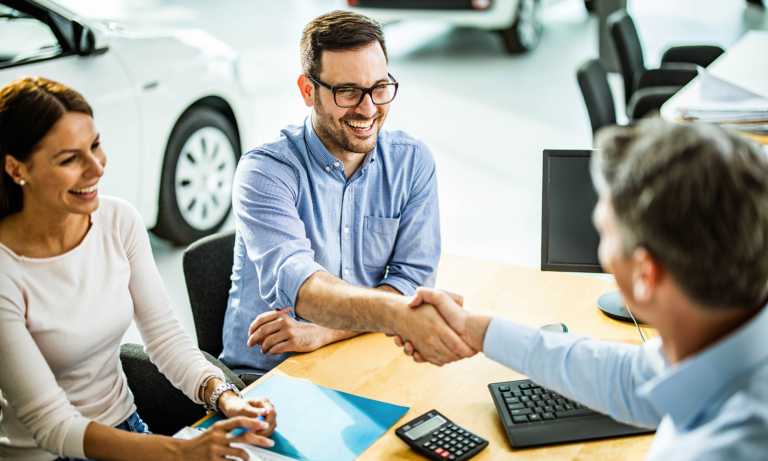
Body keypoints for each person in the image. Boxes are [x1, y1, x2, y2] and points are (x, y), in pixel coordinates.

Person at [397, 121, 768, 459]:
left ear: (645, 274)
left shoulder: (724, 446)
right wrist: (479, 331)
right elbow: (630, 377)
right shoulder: (724, 340)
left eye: (603, 233)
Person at [0, 77, 276, 461]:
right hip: (43, 453)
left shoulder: (118, 221)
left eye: (95, 146)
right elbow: (53, 426)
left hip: (128, 428)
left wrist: (224, 397)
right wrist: (182, 451)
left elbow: (164, 337)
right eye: (69, 159)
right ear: (16, 168)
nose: (96, 168)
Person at [219, 10, 472, 382]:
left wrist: (324, 332)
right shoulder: (265, 172)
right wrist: (403, 314)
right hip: (270, 378)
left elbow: (411, 280)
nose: (368, 109)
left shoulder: (411, 161)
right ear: (308, 90)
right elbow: (306, 291)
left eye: (380, 87)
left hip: (359, 358)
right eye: (348, 91)